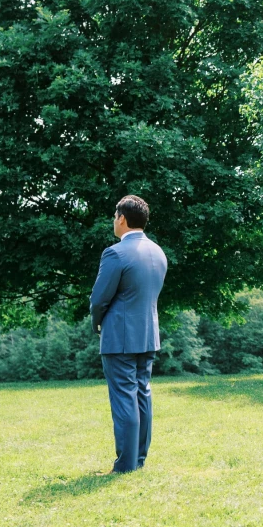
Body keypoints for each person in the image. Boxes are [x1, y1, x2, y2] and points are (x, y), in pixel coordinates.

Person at [90, 195, 168, 474]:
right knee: (142, 395)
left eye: (115, 216)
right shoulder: (158, 252)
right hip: (148, 335)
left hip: (119, 337)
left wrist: (97, 323)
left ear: (122, 218)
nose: (114, 221)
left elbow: (99, 299)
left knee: (124, 398)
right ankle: (138, 460)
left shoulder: (115, 253)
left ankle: (125, 465)